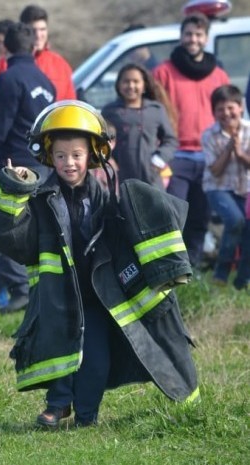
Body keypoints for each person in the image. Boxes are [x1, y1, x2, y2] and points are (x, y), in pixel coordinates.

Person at [0, 100, 198, 428]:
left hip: (98, 298)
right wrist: (14, 188)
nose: (68, 163)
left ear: (93, 156)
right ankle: (57, 406)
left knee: (96, 359)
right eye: (60, 156)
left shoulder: (106, 198)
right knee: (61, 350)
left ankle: (87, 416)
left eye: (76, 155)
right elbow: (11, 236)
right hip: (58, 295)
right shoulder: (40, 199)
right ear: (48, 157)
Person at [0, 22, 55, 314]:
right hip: (42, 165)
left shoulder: (8, 79)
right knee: (36, 228)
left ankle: (19, 291)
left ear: (6, 46)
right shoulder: (46, 82)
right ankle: (39, 288)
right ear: (33, 47)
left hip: (13, 166)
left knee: (2, 226)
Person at [153, 12, 230, 268]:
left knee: (200, 217)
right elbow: (155, 112)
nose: (192, 39)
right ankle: (171, 268)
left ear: (206, 38)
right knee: (173, 217)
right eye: (188, 34)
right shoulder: (163, 72)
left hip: (210, 158)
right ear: (181, 36)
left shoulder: (219, 75)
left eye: (198, 34)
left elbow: (228, 114)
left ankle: (193, 269)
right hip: (177, 157)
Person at [202, 84, 250, 289]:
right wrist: (230, 148)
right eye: (220, 109)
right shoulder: (209, 135)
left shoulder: (249, 130)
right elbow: (215, 171)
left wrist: (240, 154)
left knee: (247, 232)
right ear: (214, 113)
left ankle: (243, 280)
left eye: (230, 107)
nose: (226, 113)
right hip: (217, 187)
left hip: (244, 188)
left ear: (240, 107)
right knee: (235, 220)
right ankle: (220, 274)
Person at [101, 63, 178, 188]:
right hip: (121, 177)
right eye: (126, 81)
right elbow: (100, 141)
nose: (131, 86)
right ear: (118, 85)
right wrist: (109, 160)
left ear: (144, 86)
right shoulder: (109, 111)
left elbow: (170, 140)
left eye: (136, 81)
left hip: (151, 176)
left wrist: (159, 160)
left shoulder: (156, 110)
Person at [19, 5, 76, 101]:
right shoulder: (7, 65)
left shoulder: (60, 65)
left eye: (42, 29)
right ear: (24, 32)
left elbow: (70, 104)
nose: (38, 35)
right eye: (33, 30)